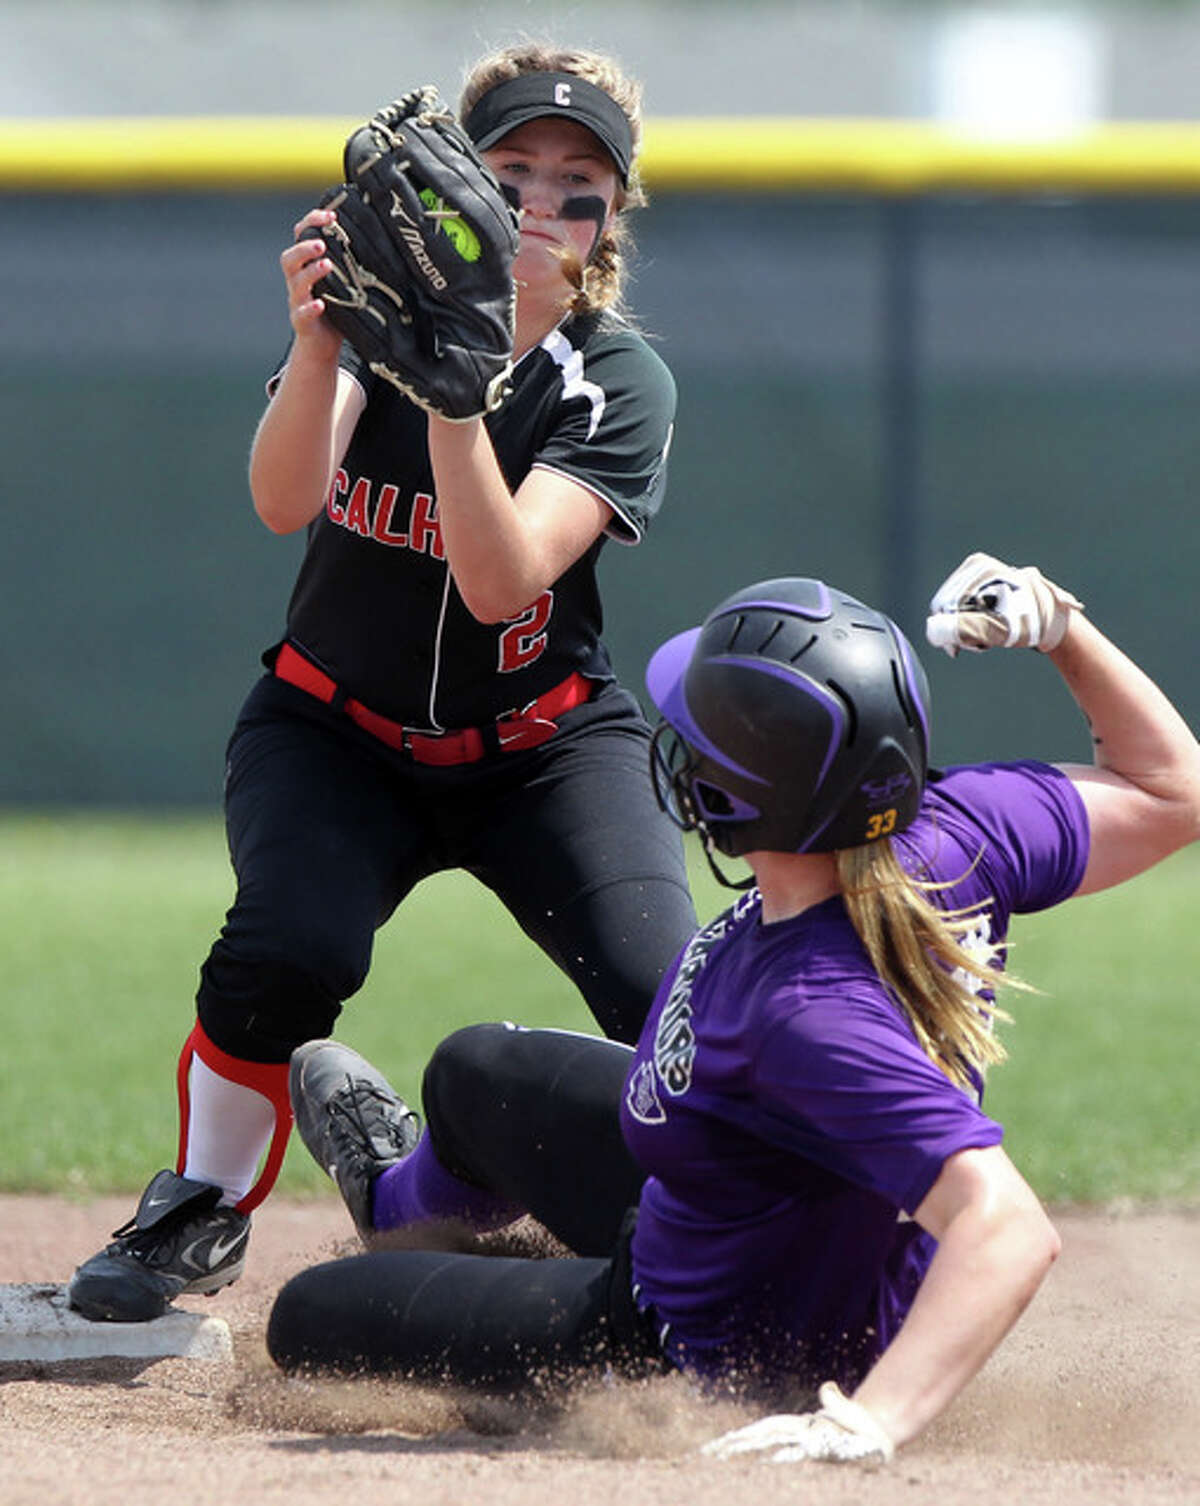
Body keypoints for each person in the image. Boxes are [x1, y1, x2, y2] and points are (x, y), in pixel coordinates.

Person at [267, 553, 1200, 1463]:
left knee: (310, 1317)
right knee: (472, 1071)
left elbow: (1005, 1226)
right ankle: (397, 1203)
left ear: (728, 795)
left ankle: (514, 1306)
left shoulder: (809, 1012)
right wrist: (1063, 632)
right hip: (746, 1188)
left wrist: (865, 1423)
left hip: (700, 1338)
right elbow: (1174, 792)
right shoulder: (957, 833)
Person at [66, 42, 697, 1324]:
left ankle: (665, 1228)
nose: (538, 202)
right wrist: (319, 342)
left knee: (667, 993)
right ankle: (196, 1209)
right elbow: (280, 497)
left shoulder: (615, 377)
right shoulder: (370, 327)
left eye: (578, 184)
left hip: (543, 748)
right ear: (452, 182)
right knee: (292, 945)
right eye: (509, 168)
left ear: (609, 220)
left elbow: (501, 584)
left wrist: (460, 396)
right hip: (334, 732)